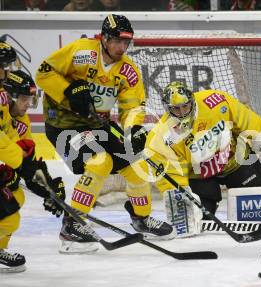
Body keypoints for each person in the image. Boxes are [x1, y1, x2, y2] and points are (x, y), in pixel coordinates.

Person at [35, 14, 174, 254]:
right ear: (105, 38)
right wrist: (68, 89)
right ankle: (73, 224)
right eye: (117, 41)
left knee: (136, 163)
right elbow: (44, 73)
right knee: (100, 161)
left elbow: (131, 107)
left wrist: (134, 129)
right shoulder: (82, 52)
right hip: (64, 126)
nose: (122, 47)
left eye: (126, 43)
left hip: (97, 125)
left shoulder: (128, 71)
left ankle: (141, 218)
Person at [145, 81, 261, 238]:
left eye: (185, 106)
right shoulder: (162, 137)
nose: (182, 112)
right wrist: (182, 202)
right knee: (201, 221)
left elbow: (249, 123)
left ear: (192, 101)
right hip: (200, 176)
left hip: (234, 162)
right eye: (176, 109)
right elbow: (170, 176)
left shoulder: (215, 101)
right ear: (167, 109)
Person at [0, 67, 66, 273]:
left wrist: (47, 186)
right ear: (9, 97)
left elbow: (26, 154)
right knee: (9, 212)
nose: (29, 105)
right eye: (23, 99)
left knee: (15, 201)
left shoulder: (18, 120)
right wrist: (22, 166)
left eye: (31, 99)